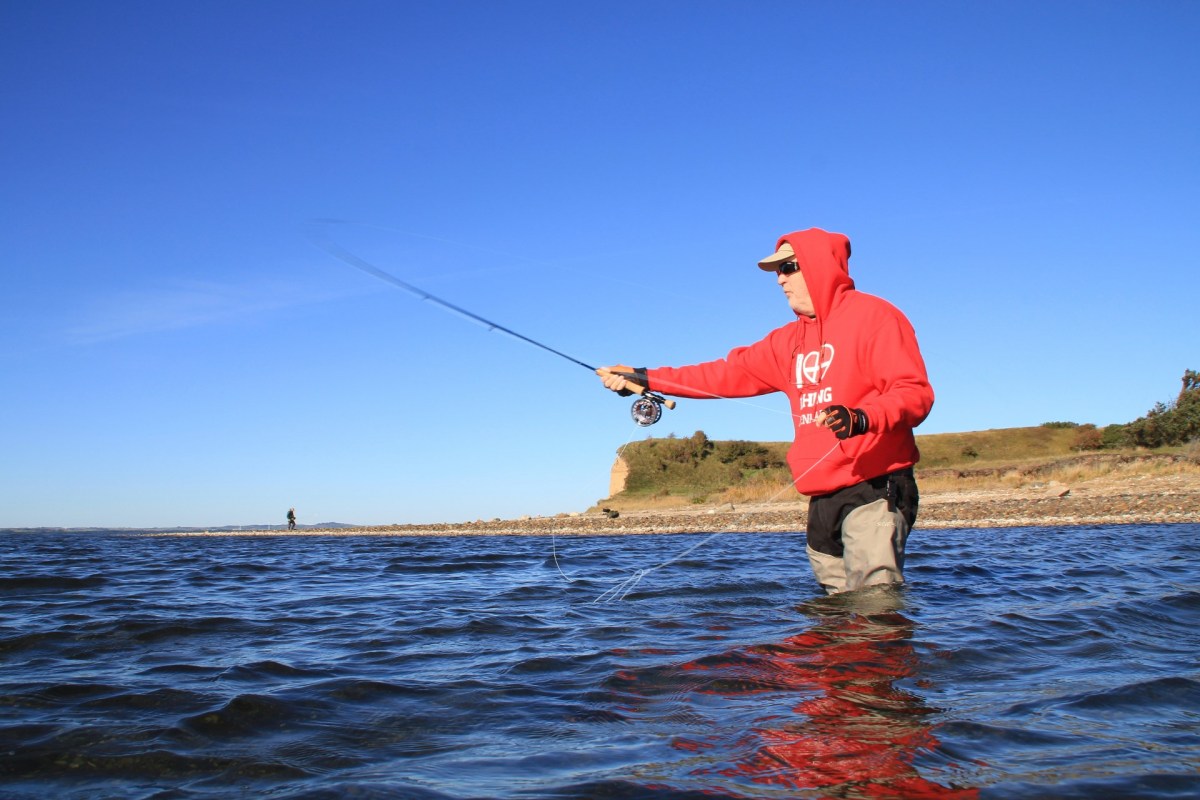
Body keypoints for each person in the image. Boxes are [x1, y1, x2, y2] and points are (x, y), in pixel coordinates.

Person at [599, 227, 933, 595]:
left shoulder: (876, 317)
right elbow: (721, 375)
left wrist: (862, 418)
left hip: (875, 483)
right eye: (777, 271)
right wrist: (646, 377)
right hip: (821, 496)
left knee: (875, 607)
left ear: (819, 265)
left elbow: (914, 393)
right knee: (836, 619)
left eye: (789, 267)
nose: (781, 280)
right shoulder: (785, 342)